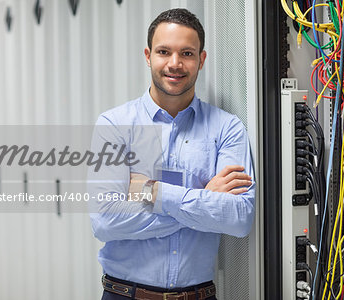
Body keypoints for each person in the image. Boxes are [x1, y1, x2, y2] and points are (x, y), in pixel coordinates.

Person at [88, 8, 255, 300]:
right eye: (164, 51)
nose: (175, 64)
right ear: (148, 55)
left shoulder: (227, 128)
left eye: (187, 54)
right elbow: (105, 221)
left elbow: (239, 219)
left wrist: (152, 192)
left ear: (201, 60)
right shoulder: (115, 125)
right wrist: (204, 198)